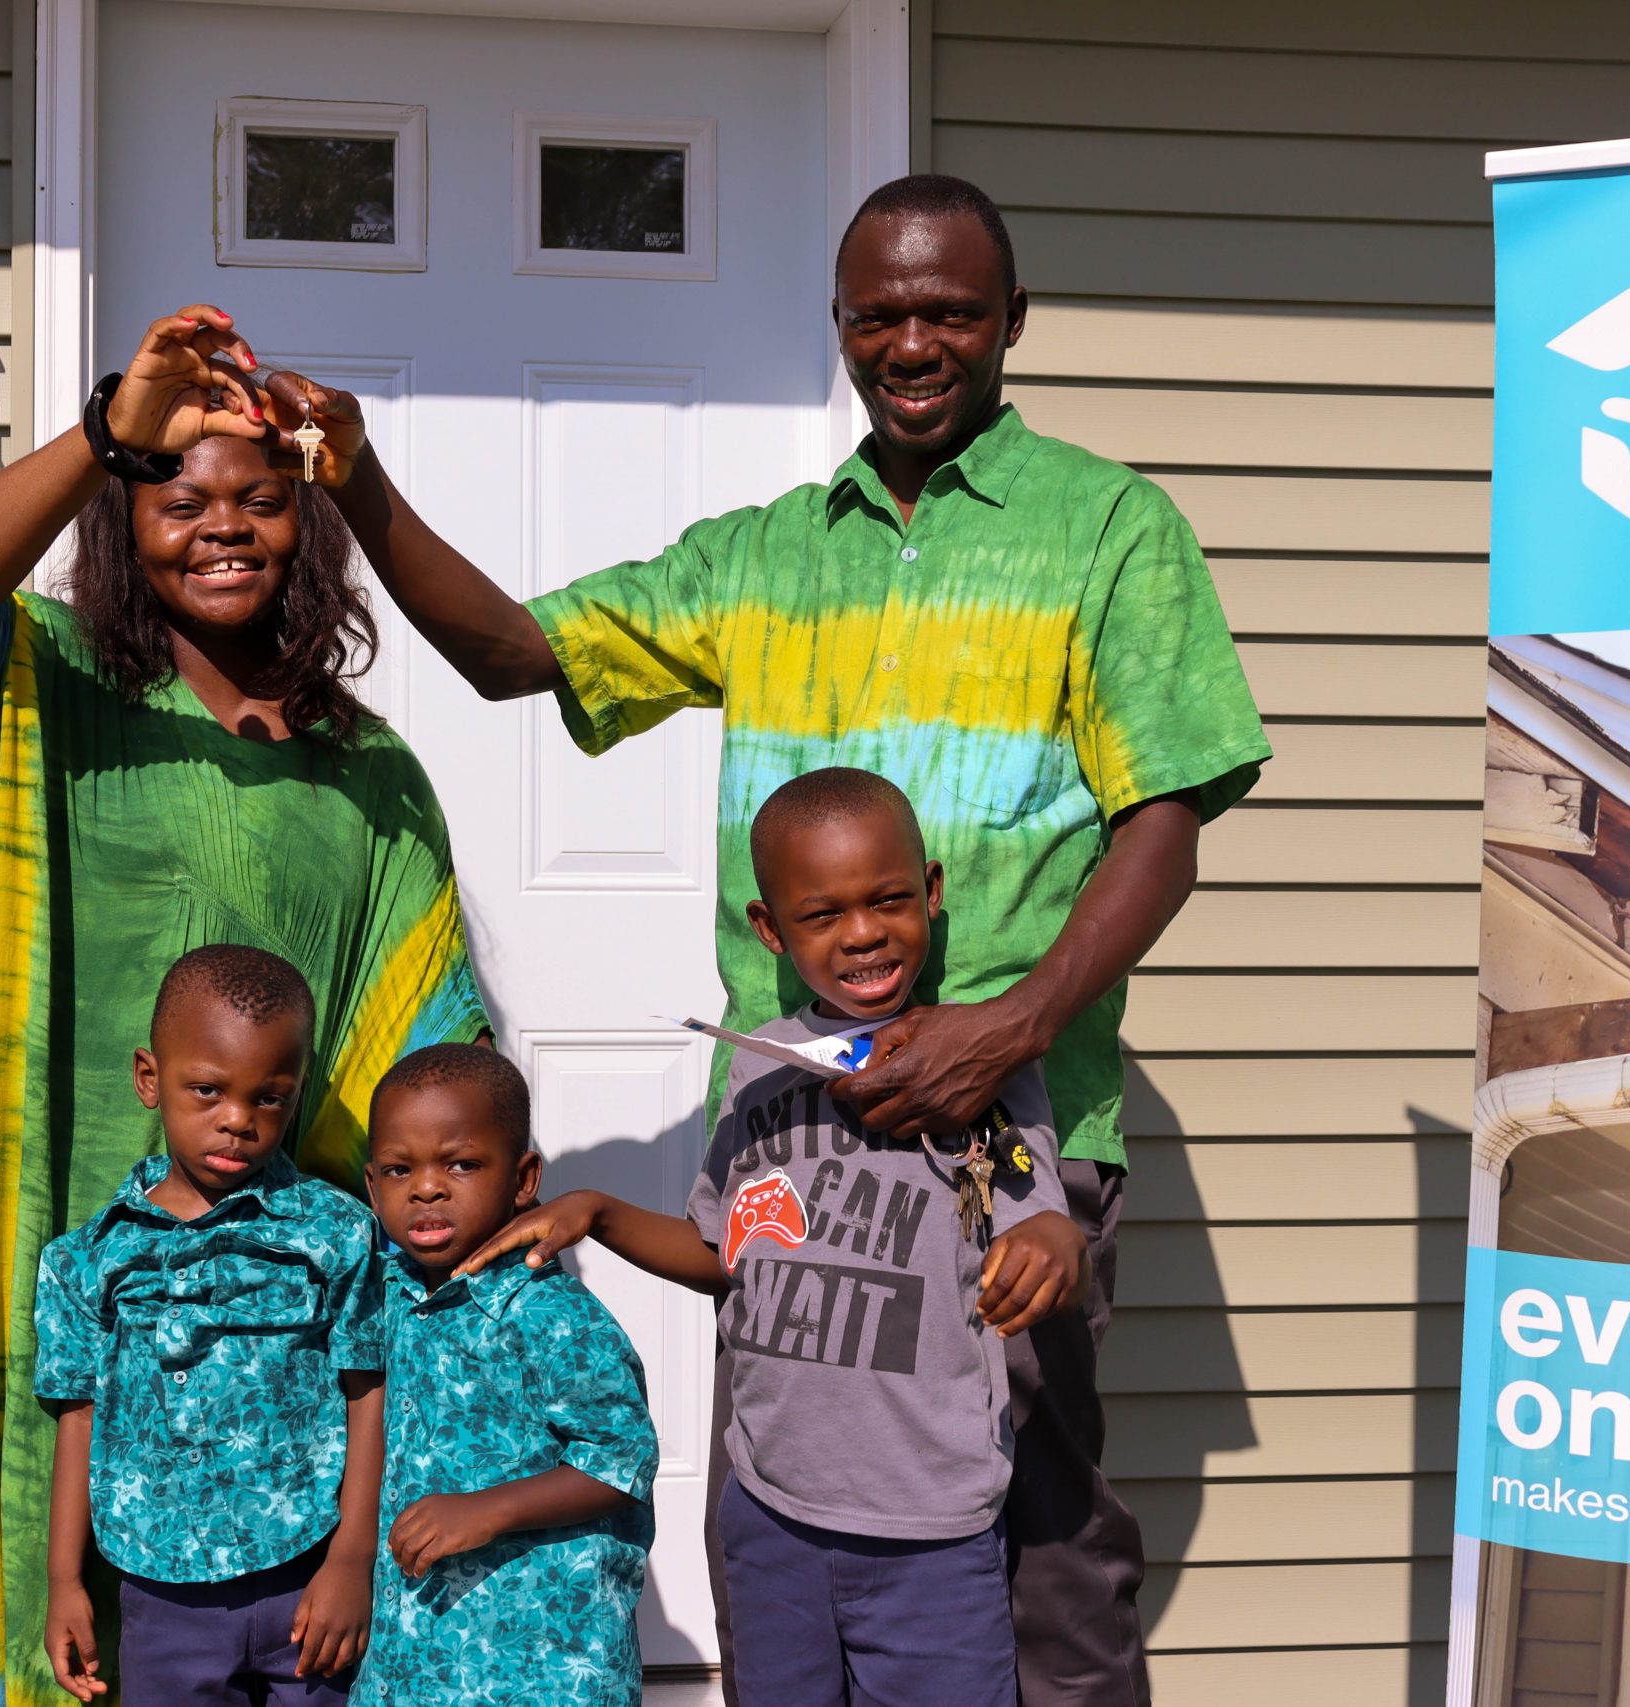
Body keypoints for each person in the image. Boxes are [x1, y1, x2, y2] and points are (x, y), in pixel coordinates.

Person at [260, 174, 1269, 1706]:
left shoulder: (1112, 530)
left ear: (1011, 322)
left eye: (948, 310)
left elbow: (1171, 815)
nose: (912, 340)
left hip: (1009, 1131)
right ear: (842, 327)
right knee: (786, 1538)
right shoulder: (766, 553)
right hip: (797, 1137)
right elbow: (514, 650)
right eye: (880, 313)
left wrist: (1011, 1020)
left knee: (1040, 1553)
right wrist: (358, 478)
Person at [0, 306, 488, 1707]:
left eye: (263, 499)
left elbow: (430, 1054)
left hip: (288, 1323)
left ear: (308, 521)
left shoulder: (368, 766)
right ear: (122, 517)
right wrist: (108, 431)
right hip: (88, 1271)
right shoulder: (51, 690)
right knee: (79, 1633)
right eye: (179, 493)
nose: (223, 525)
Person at [461, 768, 1083, 1705]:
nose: (863, 932)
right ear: (770, 929)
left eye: (888, 900)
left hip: (932, 1527)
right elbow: (721, 1258)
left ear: (933, 892)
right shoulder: (760, 1079)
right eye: (823, 914)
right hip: (771, 1517)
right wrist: (595, 1209)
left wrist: (1052, 1242)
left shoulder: (977, 1067)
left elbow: (1036, 1213)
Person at [36, 945, 386, 1705]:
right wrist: (65, 1579)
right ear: (149, 1078)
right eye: (208, 1089)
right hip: (164, 1601)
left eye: (270, 1097)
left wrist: (354, 1556)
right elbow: (77, 1416)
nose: (238, 1119)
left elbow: (368, 1389)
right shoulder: (85, 1261)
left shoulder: (338, 1234)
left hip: (311, 1581)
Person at [356, 1044, 657, 1707]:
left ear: (523, 1179)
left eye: (461, 1163)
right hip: (416, 1662)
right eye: (401, 1169)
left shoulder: (550, 1313)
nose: (427, 1187)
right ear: (373, 1187)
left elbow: (623, 1457)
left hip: (541, 1669)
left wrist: (491, 1508)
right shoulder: (387, 1297)